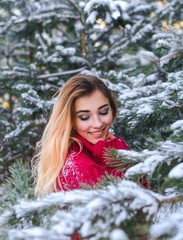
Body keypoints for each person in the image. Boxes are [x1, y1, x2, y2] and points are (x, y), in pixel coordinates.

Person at [34, 74, 130, 197]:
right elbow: (133, 202)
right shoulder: (79, 167)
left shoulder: (105, 148)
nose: (97, 123)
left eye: (103, 112)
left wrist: (113, 149)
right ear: (70, 120)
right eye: (84, 117)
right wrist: (120, 153)